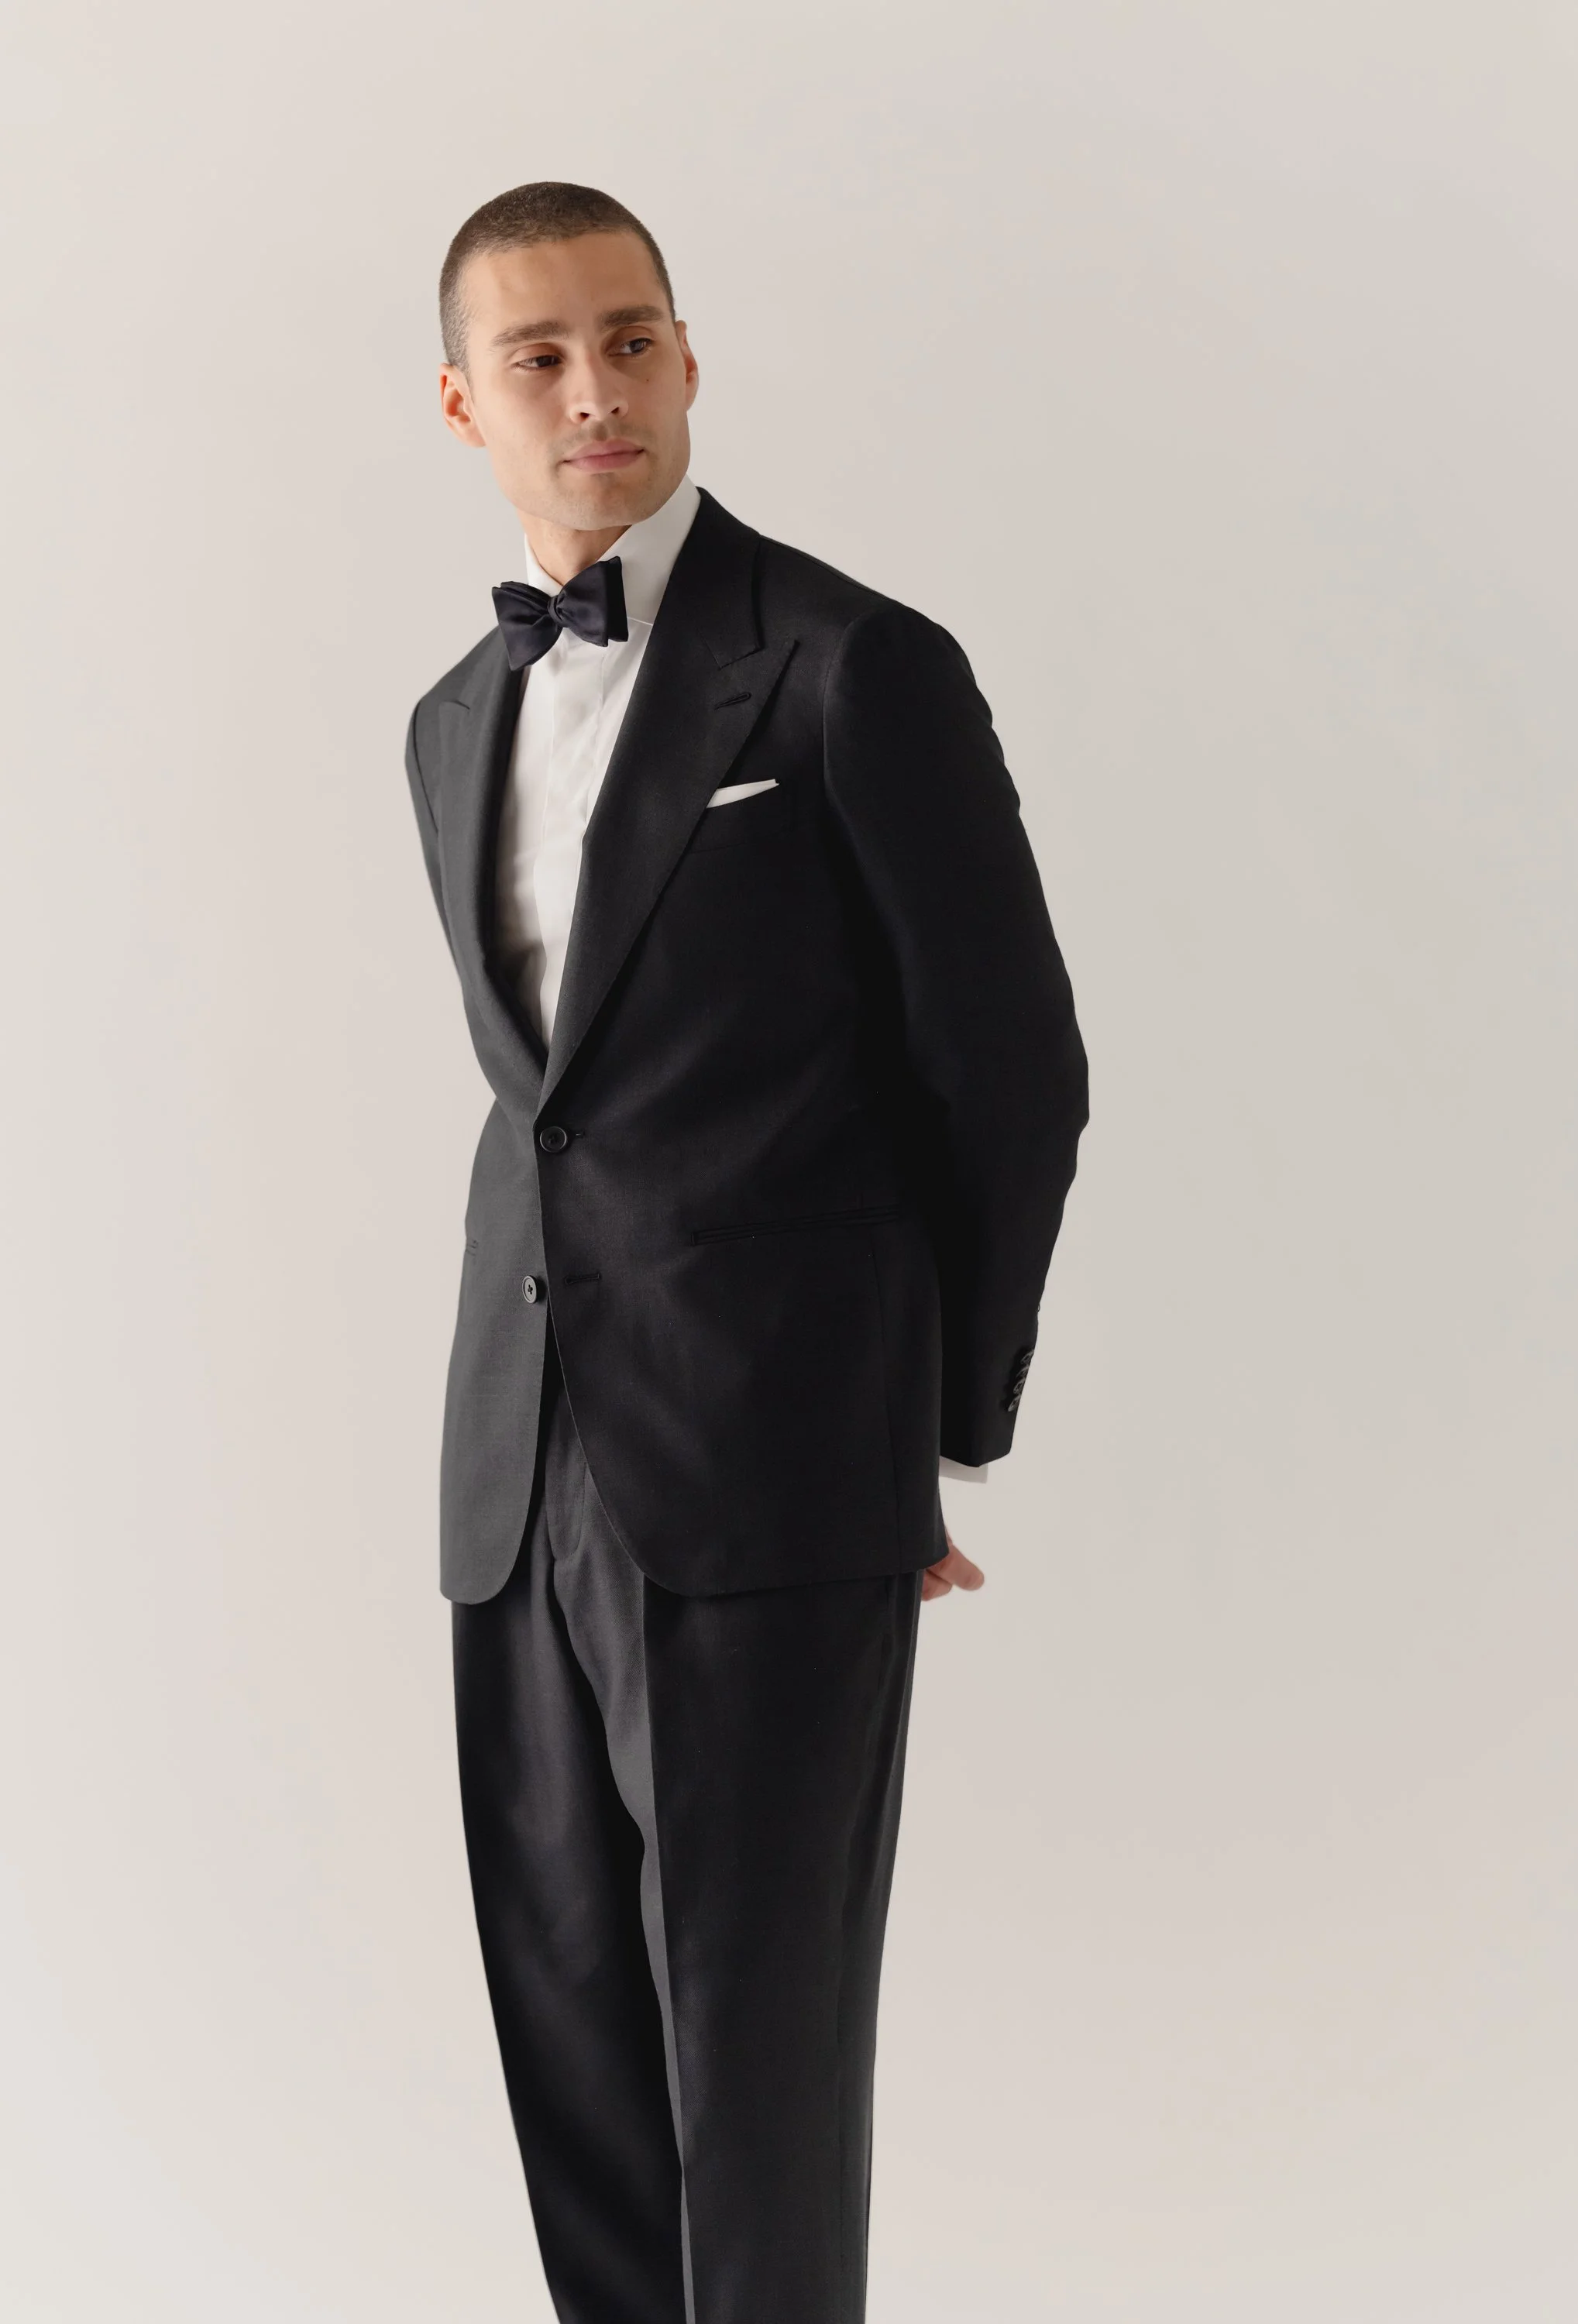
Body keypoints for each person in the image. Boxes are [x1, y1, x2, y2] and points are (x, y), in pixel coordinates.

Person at [403, 179, 1088, 2324]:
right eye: (539, 357)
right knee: (578, 2052)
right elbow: (554, 1096)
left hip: (776, 1468)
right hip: (518, 1470)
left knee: (759, 2062)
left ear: (688, 355)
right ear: (464, 404)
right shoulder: (452, 720)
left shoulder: (853, 668)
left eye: (630, 339)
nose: (594, 391)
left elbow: (1013, 1073)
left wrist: (929, 1435)